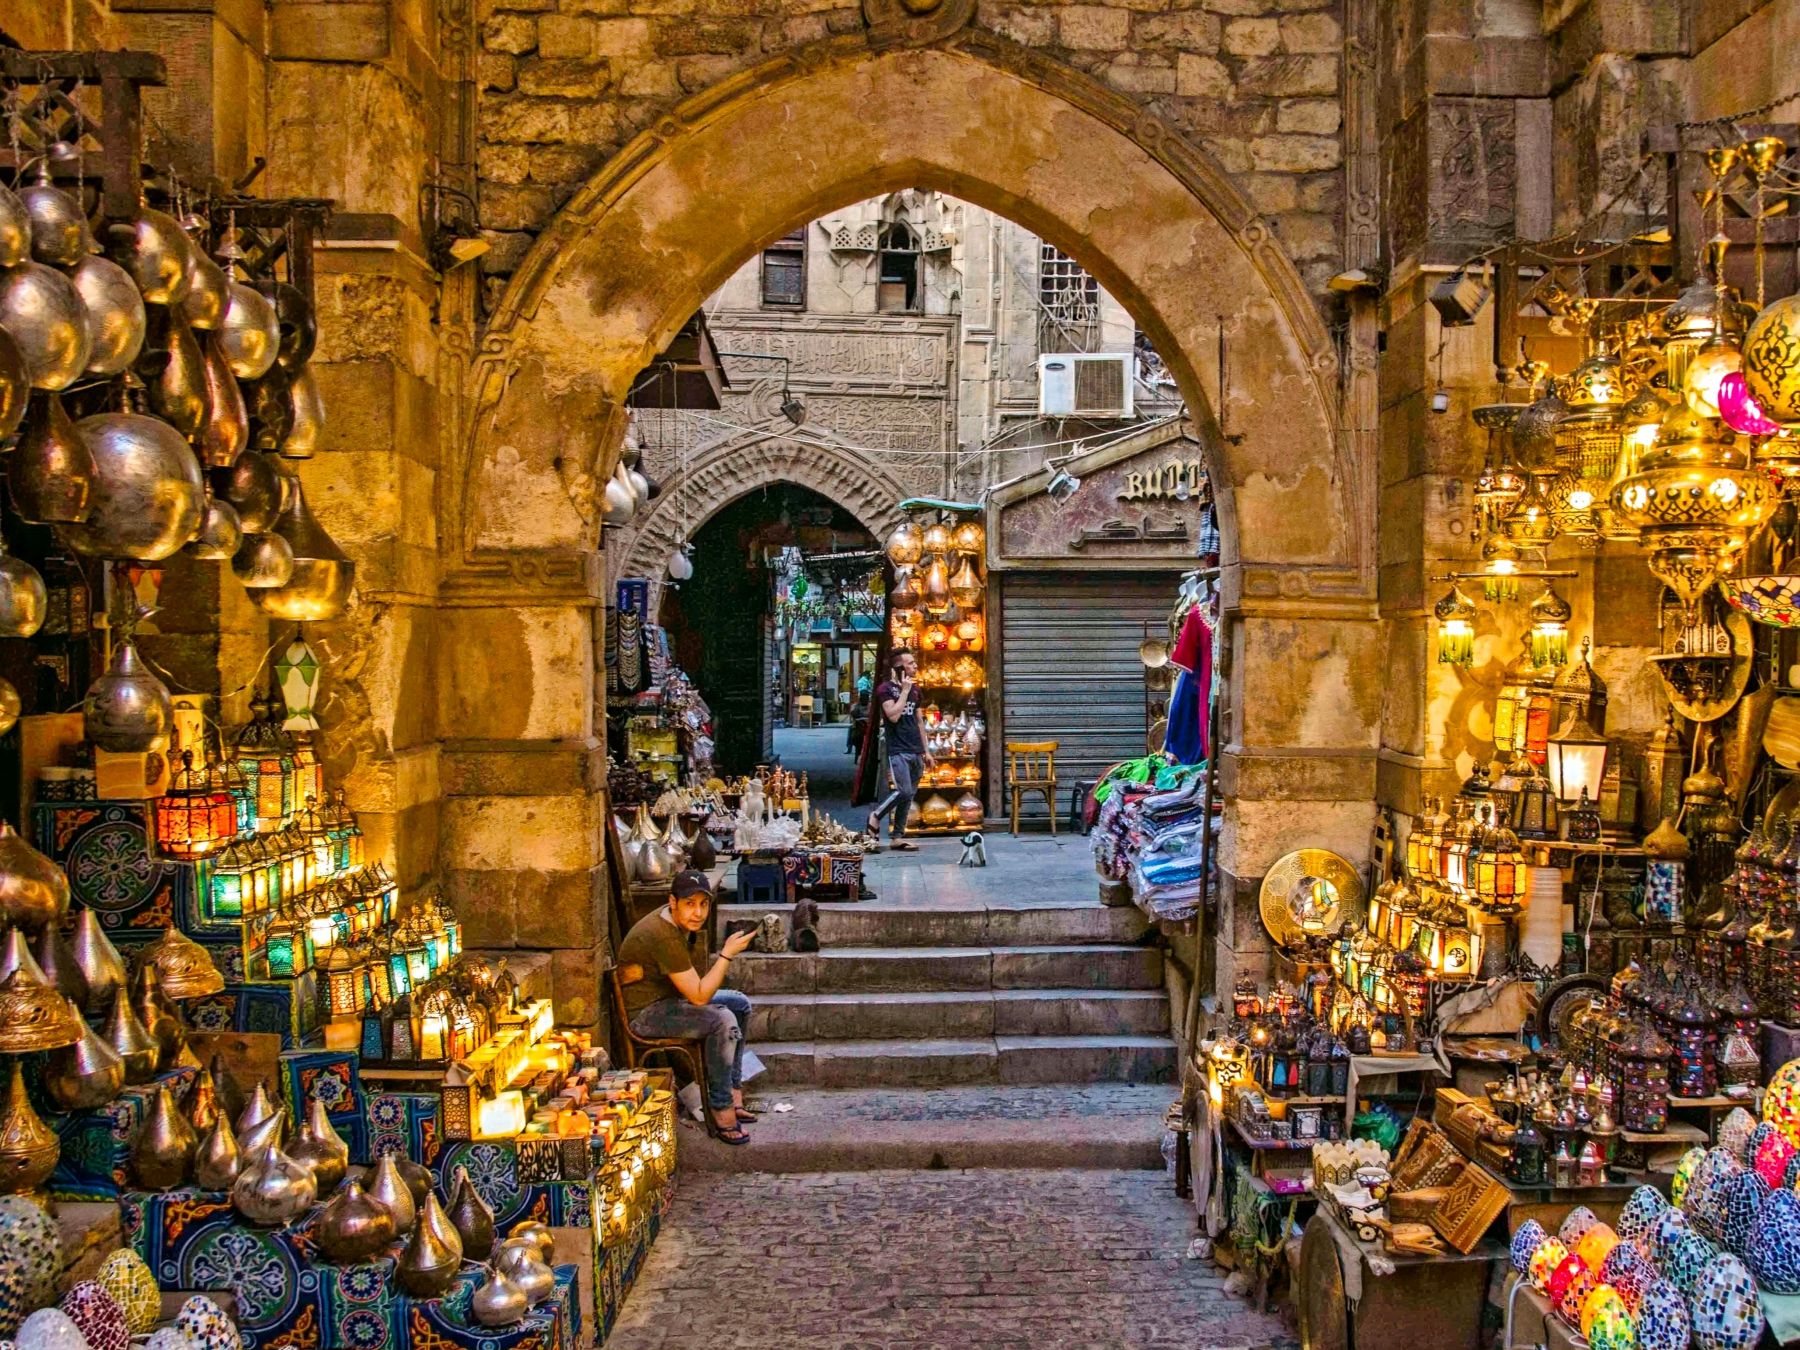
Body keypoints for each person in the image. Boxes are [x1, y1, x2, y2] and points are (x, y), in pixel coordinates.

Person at [615, 870, 757, 1145]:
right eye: (689, 904)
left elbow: (695, 988)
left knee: (739, 1005)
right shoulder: (663, 935)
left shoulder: (678, 924)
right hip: (645, 1014)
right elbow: (700, 996)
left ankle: (732, 1090)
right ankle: (720, 1109)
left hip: (669, 1000)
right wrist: (727, 954)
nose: (698, 912)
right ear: (673, 902)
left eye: (703, 904)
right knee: (722, 1019)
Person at [864, 648, 933, 852]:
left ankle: (897, 836)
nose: (915, 666)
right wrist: (903, 691)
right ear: (899, 668)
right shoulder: (885, 689)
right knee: (903, 791)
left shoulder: (916, 690)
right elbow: (892, 716)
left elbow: (919, 721)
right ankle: (875, 816)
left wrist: (927, 751)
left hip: (915, 749)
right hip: (898, 749)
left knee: (909, 794)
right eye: (911, 663)